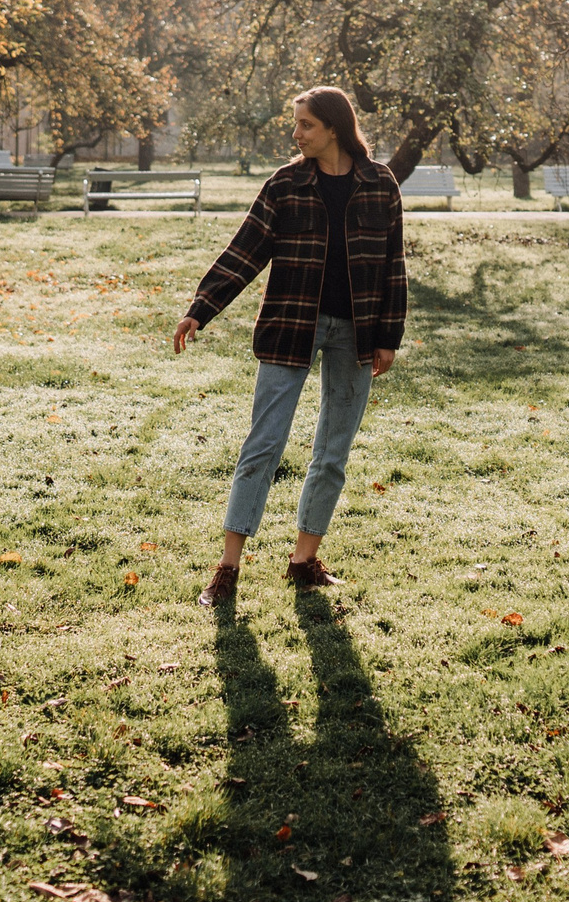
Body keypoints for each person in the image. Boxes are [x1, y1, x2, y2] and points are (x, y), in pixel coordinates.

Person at [174, 86, 406, 605]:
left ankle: (303, 561)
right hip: (290, 326)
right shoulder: (284, 184)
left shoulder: (379, 184)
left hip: (358, 333)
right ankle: (228, 567)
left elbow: (394, 265)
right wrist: (200, 308)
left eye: (305, 125)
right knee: (263, 444)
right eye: (296, 124)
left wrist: (388, 337)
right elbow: (246, 249)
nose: (295, 133)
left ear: (334, 129)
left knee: (332, 452)